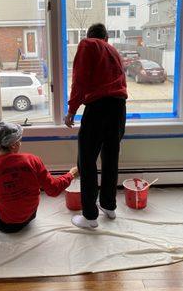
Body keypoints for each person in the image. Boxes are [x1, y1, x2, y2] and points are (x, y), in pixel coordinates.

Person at [64, 23, 127, 229]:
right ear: (107, 37)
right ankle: (109, 206)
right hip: (119, 108)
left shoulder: (88, 44)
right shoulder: (114, 51)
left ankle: (90, 216)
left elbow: (80, 79)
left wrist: (72, 110)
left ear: (90, 36)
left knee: (86, 160)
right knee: (110, 158)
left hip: (98, 108)